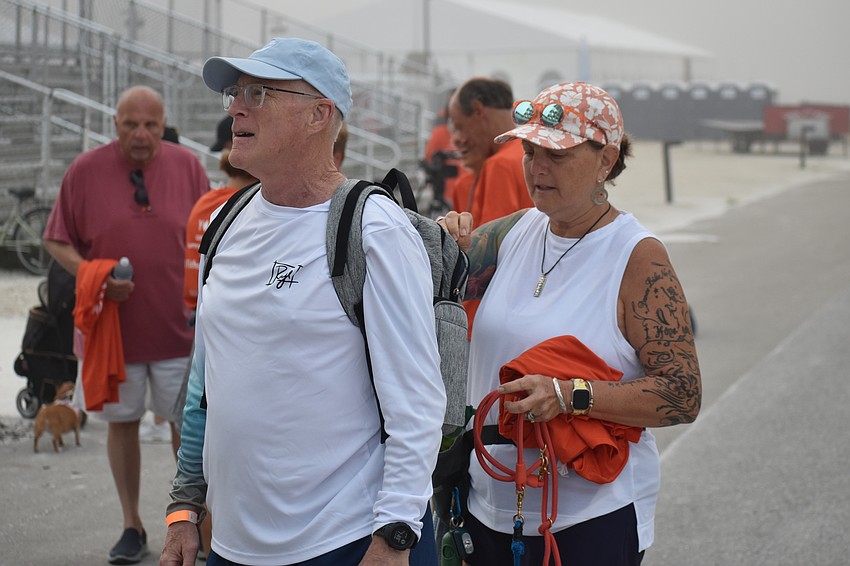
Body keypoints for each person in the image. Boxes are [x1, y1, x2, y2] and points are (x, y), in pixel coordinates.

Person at [161, 37, 446, 566]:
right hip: (232, 545)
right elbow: (205, 385)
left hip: (349, 540)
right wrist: (184, 505)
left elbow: (418, 404)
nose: (237, 107)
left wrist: (395, 538)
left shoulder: (372, 228)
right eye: (233, 93)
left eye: (258, 92)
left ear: (320, 114)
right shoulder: (225, 224)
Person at [438, 81, 702, 565]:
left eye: (556, 155)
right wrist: (437, 239)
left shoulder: (637, 257)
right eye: (530, 150)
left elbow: (682, 394)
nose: (537, 168)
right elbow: (428, 276)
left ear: (607, 159)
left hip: (588, 520)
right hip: (484, 504)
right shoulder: (513, 233)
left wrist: (569, 396)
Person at [43, 85, 209, 564]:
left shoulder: (187, 166)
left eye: (150, 125)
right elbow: (57, 240)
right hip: (114, 333)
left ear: (163, 125)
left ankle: (190, 523)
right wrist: (92, 277)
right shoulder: (84, 171)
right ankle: (132, 524)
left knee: (188, 425)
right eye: (130, 124)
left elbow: (211, 234)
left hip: (180, 327)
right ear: (115, 124)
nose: (140, 134)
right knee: (122, 424)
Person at [447, 77, 534, 334]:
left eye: (461, 128)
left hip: (488, 321)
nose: (458, 141)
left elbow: (489, 256)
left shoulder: (500, 166)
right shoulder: (527, 156)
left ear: (478, 110)